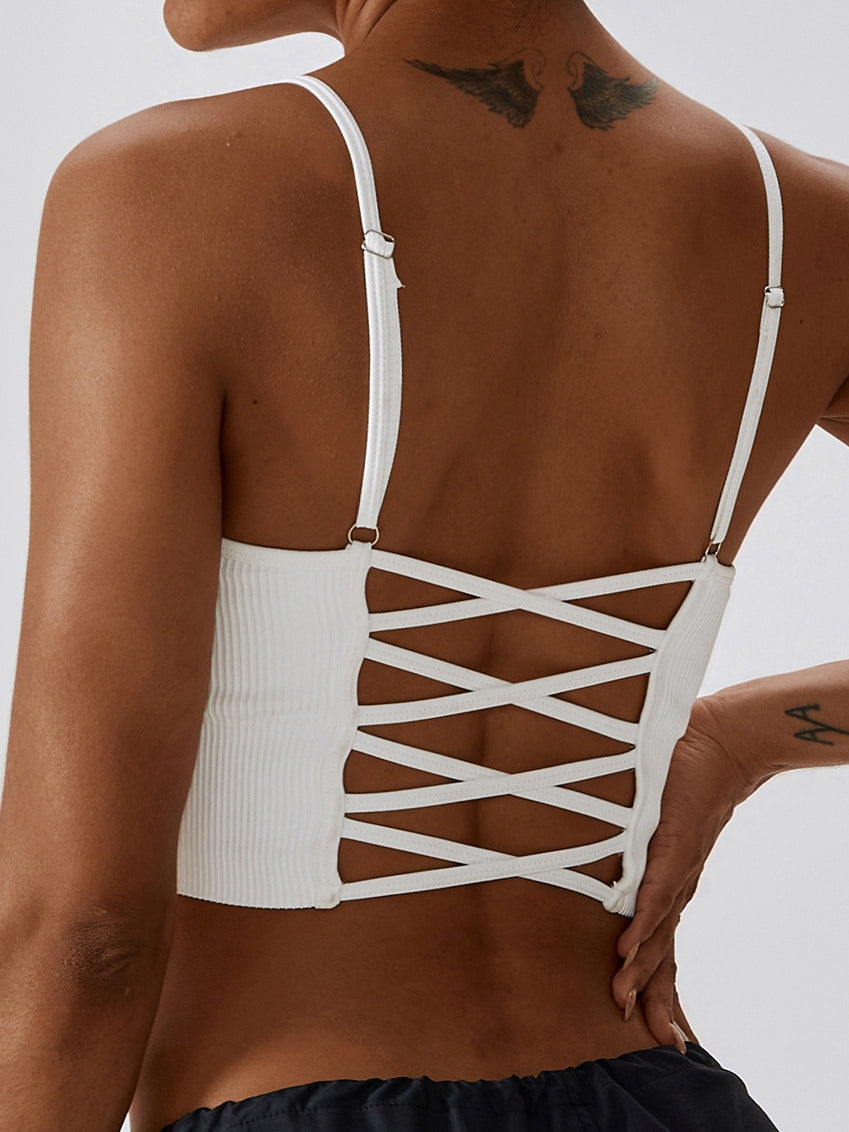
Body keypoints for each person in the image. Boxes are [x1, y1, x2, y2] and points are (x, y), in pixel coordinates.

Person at [0, 0, 847, 1129]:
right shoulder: (808, 228)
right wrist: (740, 738)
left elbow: (86, 935)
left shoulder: (165, 193)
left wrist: (737, 741)